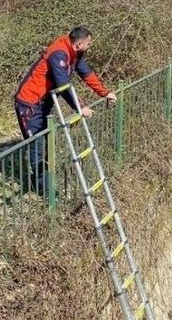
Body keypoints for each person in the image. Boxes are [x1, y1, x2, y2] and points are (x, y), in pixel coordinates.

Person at [13, 26, 117, 195]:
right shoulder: (59, 53)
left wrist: (105, 93)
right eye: (89, 43)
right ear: (79, 44)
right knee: (37, 146)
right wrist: (80, 107)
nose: (90, 47)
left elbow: (87, 74)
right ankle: (47, 193)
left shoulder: (74, 53)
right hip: (29, 104)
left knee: (46, 143)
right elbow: (63, 86)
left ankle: (40, 182)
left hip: (44, 102)